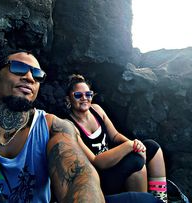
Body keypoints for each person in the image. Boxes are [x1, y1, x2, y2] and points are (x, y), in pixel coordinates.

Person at [0, 50, 105, 202]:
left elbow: (79, 177)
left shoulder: (54, 127)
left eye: (37, 75)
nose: (30, 78)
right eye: (18, 68)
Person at [65, 74, 168, 203]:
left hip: (114, 164)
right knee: (135, 160)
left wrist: (135, 144)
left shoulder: (97, 110)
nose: (84, 98)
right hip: (99, 177)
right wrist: (129, 146)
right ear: (68, 99)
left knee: (152, 147)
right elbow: (96, 161)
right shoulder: (69, 126)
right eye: (78, 95)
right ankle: (143, 199)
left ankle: (161, 198)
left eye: (88, 94)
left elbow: (114, 136)